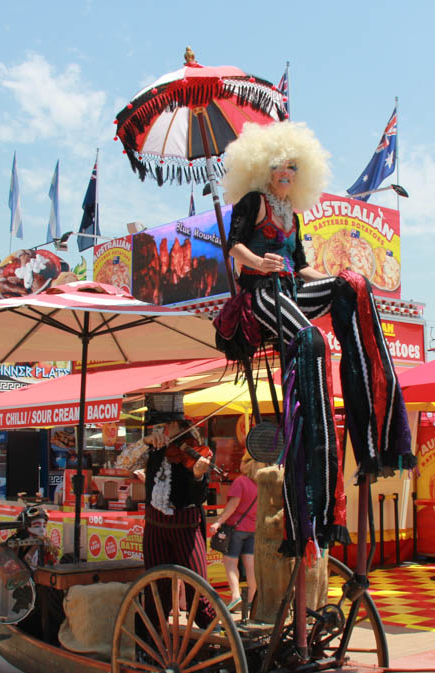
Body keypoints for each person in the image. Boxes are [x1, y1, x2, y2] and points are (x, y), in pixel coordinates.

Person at [214, 121, 415, 556]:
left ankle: (375, 438)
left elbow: (301, 266)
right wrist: (258, 263)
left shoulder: (295, 214)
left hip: (290, 290)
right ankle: (315, 492)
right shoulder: (253, 202)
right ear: (264, 169)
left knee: (352, 286)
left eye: (292, 167)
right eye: (278, 166)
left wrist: (332, 282)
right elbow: (233, 247)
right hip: (260, 296)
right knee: (311, 342)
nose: (285, 173)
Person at [116, 393, 216, 628]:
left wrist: (198, 477)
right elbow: (122, 463)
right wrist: (145, 441)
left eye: (163, 425)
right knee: (155, 589)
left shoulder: (196, 452)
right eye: (156, 426)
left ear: (177, 425)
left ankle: (210, 631)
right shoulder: (154, 450)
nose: (160, 430)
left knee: (198, 587)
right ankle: (149, 638)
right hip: (155, 527)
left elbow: (198, 498)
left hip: (185, 527)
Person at [211, 451, 260, 612]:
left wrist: (218, 521)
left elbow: (233, 506)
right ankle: (253, 600)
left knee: (230, 563)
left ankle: (235, 595)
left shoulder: (241, 482)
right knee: (251, 566)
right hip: (253, 529)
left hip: (236, 528)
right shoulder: (260, 484)